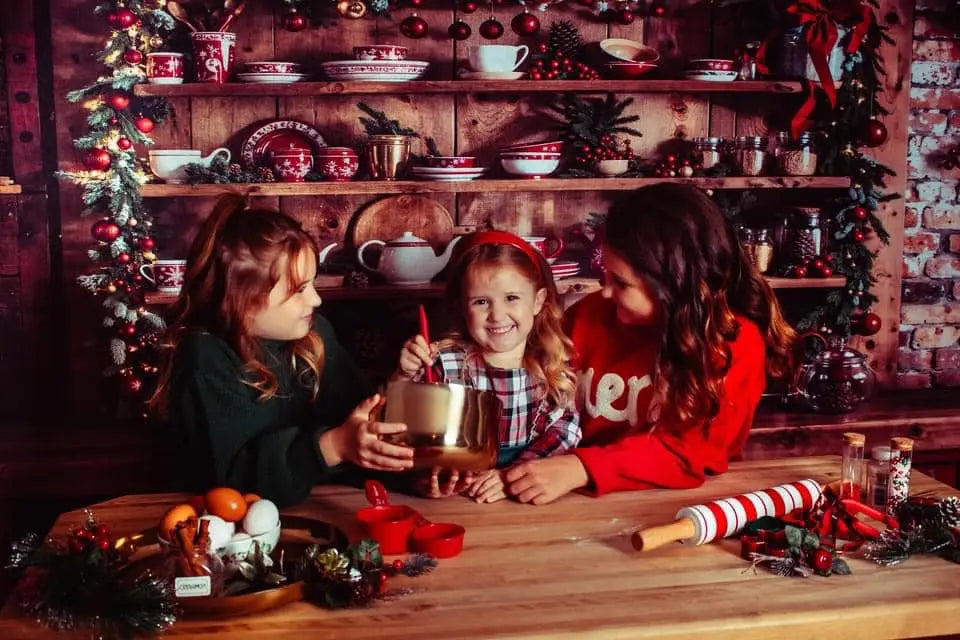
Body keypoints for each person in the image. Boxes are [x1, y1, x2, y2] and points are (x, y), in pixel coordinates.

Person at [504, 183, 797, 504]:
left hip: (672, 505)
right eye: (607, 276)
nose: (605, 291)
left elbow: (693, 454)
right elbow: (535, 398)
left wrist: (582, 467)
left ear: (673, 284)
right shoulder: (588, 316)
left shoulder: (732, 344)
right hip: (570, 498)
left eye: (621, 282)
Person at [150, 194, 414, 507]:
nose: (315, 300)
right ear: (242, 300)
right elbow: (232, 482)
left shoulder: (316, 334)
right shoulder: (204, 356)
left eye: (312, 284)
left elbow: (360, 426)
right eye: (299, 290)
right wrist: (333, 445)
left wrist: (415, 470)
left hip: (325, 510)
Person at [396, 231, 581, 503]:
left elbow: (565, 431)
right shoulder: (444, 364)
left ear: (538, 301)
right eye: (481, 302)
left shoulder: (550, 367)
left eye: (512, 298)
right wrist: (426, 478)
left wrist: (513, 475)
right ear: (463, 306)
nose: (496, 315)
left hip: (527, 500)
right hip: (459, 501)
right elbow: (405, 434)